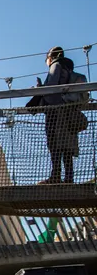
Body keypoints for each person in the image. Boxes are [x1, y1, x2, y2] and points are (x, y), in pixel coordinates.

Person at [30, 46, 86, 183]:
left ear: (50, 58)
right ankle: (69, 178)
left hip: (56, 112)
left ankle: (55, 176)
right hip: (69, 112)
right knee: (67, 147)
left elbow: (52, 88)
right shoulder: (68, 70)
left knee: (54, 145)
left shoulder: (55, 65)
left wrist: (39, 90)